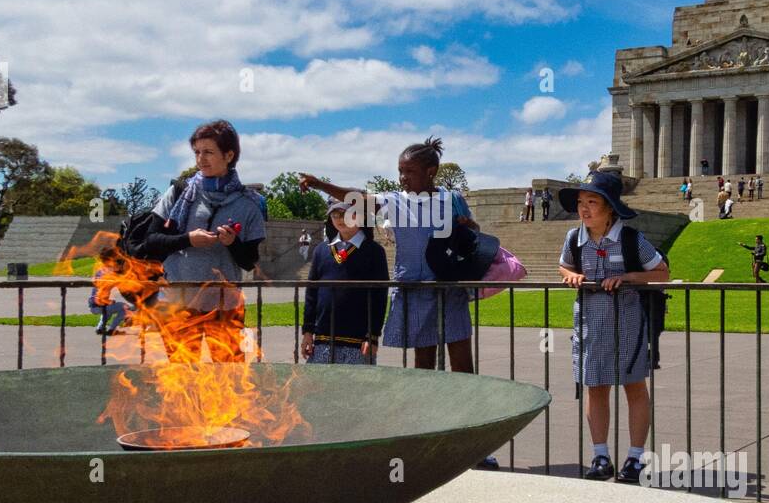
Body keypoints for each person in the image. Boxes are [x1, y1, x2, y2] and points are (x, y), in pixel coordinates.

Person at [300, 137, 499, 469]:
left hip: (448, 290)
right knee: (424, 371)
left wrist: (466, 225)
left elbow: (474, 235)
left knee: (464, 368)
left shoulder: (451, 200)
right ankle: (428, 439)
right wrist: (319, 184)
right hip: (414, 291)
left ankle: (474, 446)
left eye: (409, 171)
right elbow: (355, 198)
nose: (402, 177)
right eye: (399, 171)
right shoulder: (394, 201)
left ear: (431, 171)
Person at [558, 171, 670, 484]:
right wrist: (570, 275)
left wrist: (628, 278)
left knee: (634, 387)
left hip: (628, 325)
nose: (584, 209)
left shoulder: (632, 238)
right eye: (581, 202)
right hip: (589, 324)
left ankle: (635, 458)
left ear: (609, 208)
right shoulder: (574, 238)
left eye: (592, 202)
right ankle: (600, 456)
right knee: (595, 387)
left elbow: (662, 273)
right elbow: (564, 264)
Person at [137, 120, 266, 362]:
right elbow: (151, 242)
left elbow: (250, 262)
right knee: (182, 376)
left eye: (208, 152)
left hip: (225, 305)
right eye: (197, 152)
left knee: (229, 376)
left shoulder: (250, 203)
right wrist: (188, 240)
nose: (200, 159)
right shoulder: (178, 193)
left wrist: (232, 244)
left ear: (229, 155)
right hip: (179, 302)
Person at [301, 200, 389, 364]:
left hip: (358, 342)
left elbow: (380, 296)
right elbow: (311, 294)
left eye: (347, 214)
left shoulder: (374, 251)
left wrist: (373, 335)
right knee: (319, 388)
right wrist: (307, 331)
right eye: (335, 214)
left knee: (354, 389)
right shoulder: (321, 250)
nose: (340, 218)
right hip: (323, 339)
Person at [89, 247, 130, 336]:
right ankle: (112, 330)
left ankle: (99, 329)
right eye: (119, 262)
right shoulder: (109, 274)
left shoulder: (101, 270)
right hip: (97, 305)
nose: (120, 265)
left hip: (94, 305)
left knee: (109, 310)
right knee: (124, 307)